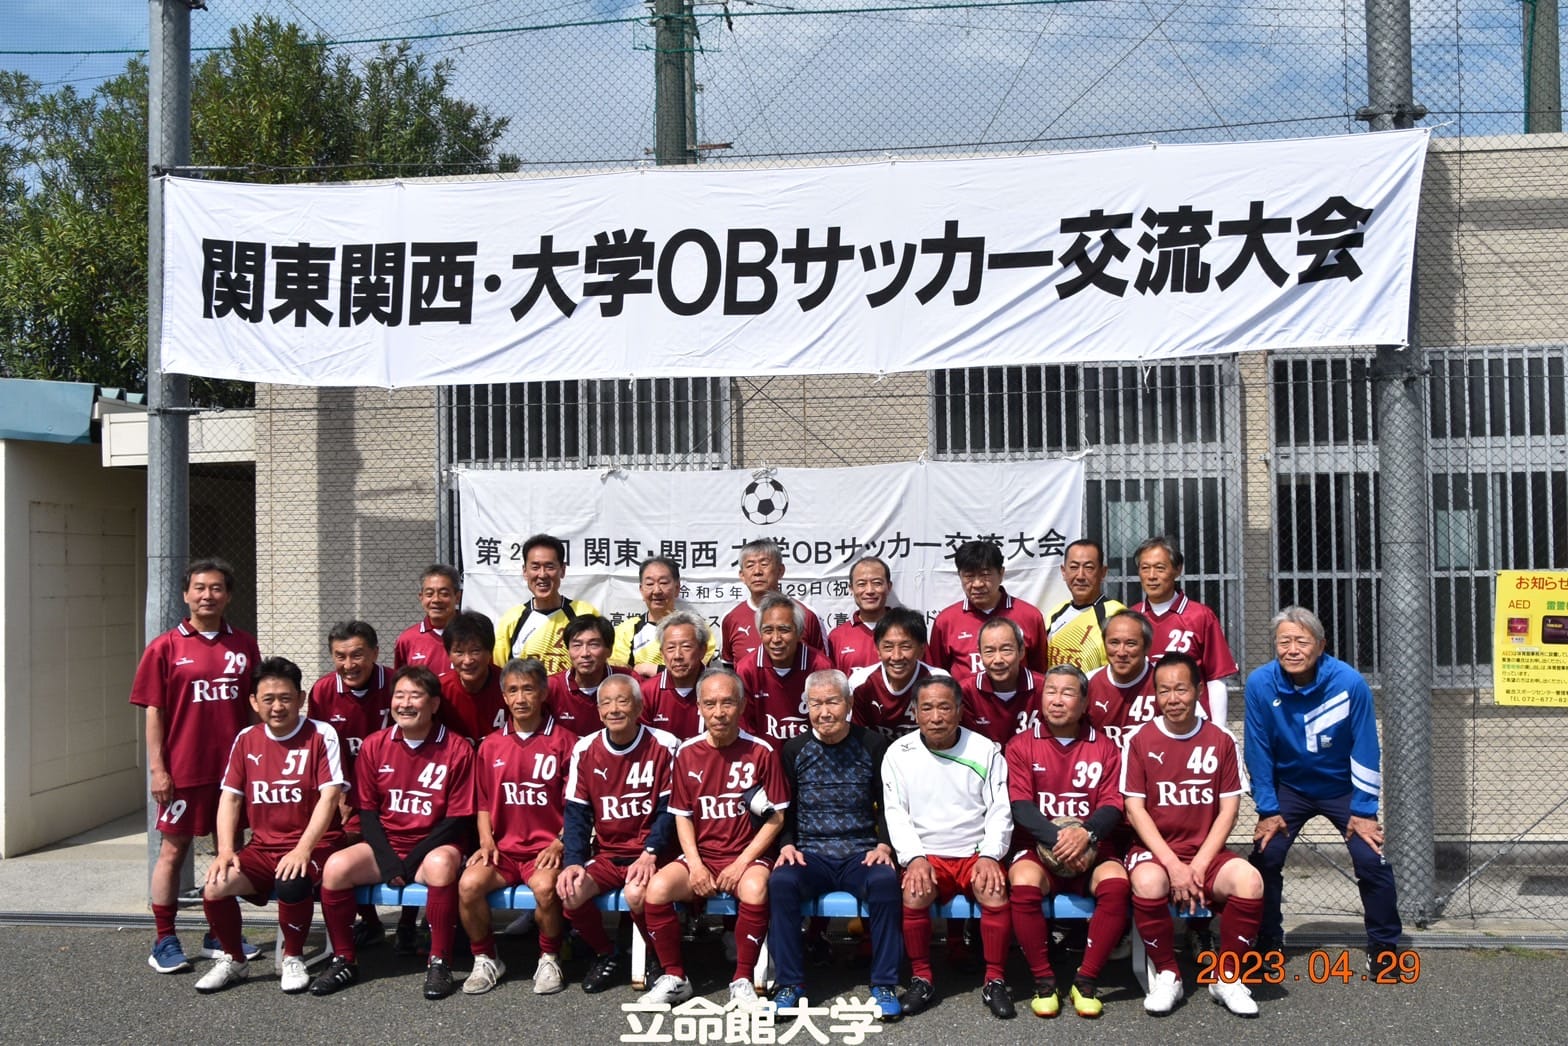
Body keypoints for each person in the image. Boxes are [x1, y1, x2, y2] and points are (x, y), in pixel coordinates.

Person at [1244, 606, 1402, 968]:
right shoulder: (1260, 684)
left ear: (1321, 645)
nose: (1292, 650)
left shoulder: (1348, 683)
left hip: (1342, 788)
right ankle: (1267, 943)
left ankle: (1384, 949)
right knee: (1265, 856)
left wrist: (1364, 810)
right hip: (1290, 788)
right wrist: (1267, 809)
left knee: (1371, 860)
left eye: (1302, 641)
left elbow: (1365, 747)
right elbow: (1257, 749)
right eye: (1284, 641)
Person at [310, 666, 476, 1000]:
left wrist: (409, 860)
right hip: (388, 846)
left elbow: (457, 819)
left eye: (415, 696)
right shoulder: (375, 745)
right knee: (336, 867)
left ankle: (439, 960)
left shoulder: (457, 748)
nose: (405, 703)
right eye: (399, 695)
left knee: (442, 864)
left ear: (434, 704)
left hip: (434, 846)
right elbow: (367, 812)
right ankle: (344, 958)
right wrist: (388, 860)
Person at [130, 557, 262, 975]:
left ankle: (218, 933)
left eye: (217, 588)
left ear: (228, 595)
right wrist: (158, 768)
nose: (208, 595)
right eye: (200, 588)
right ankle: (164, 937)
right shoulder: (164, 647)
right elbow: (154, 712)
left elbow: (256, 706)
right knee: (174, 849)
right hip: (184, 770)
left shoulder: (243, 643)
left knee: (231, 850)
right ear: (186, 594)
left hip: (234, 772)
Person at [1120, 652, 1263, 1017]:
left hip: (1205, 853)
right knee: (1150, 882)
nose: (1173, 698)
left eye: (1181, 689)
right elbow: (1135, 810)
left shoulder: (1221, 739)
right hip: (1157, 853)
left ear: (1199, 691)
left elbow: (1229, 809)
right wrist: (1173, 865)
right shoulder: (1139, 739)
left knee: (1250, 881)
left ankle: (1226, 976)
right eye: (1164, 691)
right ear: (1155, 695)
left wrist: (1197, 864)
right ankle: (1169, 974)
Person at [193, 657, 346, 994]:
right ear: (253, 702)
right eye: (268, 699)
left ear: (301, 698)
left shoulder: (322, 734)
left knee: (292, 878)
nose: (277, 707)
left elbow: (330, 796)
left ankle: (293, 957)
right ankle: (234, 959)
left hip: (317, 844)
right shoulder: (246, 738)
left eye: (285, 698)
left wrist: (303, 849)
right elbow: (230, 799)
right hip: (263, 847)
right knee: (215, 884)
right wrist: (224, 850)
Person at [641, 669, 789, 1008]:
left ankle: (742, 979)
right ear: (699, 707)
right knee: (658, 888)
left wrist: (741, 864)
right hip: (703, 855)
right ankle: (675, 977)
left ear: (741, 706)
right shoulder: (687, 752)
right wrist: (694, 865)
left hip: (745, 854)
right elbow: (682, 815)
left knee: (754, 887)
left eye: (727, 703)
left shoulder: (761, 751)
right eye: (710, 704)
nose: (718, 712)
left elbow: (776, 817)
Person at [769, 670, 903, 1021]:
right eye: (816, 704)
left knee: (886, 882)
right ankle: (789, 984)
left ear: (849, 704)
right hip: (810, 853)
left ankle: (885, 983)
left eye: (832, 702)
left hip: (860, 852)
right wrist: (786, 844)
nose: (824, 712)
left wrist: (885, 845)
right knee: (781, 882)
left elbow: (889, 802)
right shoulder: (795, 749)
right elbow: (787, 807)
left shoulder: (872, 745)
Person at [882, 676, 1015, 1020]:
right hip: (928, 853)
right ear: (915, 712)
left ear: (959, 711)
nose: (936, 717)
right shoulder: (899, 753)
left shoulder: (985, 750)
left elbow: (1001, 808)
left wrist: (989, 854)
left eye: (945, 707)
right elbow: (896, 814)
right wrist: (914, 858)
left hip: (974, 852)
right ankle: (922, 977)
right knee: (913, 892)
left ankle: (995, 980)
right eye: (927, 708)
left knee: (994, 890)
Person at [1004, 665, 1129, 1019]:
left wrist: (1085, 835)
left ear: (1085, 700)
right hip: (1041, 847)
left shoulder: (1105, 747)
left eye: (1068, 693)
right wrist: (1061, 841)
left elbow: (1112, 805)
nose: (1057, 700)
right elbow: (1020, 805)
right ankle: (1044, 981)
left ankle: (1085, 980)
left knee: (1117, 884)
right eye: (1050, 692)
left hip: (1092, 845)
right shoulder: (1021, 745)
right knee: (1024, 882)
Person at [459, 658, 578, 996]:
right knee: (468, 885)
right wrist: (485, 840)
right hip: (504, 850)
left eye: (528, 689)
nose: (521, 697)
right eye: (513, 690)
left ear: (543, 693)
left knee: (544, 888)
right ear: (504, 698)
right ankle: (485, 958)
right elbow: (482, 801)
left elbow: (579, 805)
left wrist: (560, 842)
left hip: (546, 851)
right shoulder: (490, 745)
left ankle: (549, 956)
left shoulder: (566, 742)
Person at [557, 674, 680, 993]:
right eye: (606, 702)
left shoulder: (665, 744)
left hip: (653, 852)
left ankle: (655, 956)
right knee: (571, 892)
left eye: (622, 701)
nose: (614, 709)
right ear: (598, 711)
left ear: (639, 706)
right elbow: (577, 813)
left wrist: (651, 850)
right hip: (609, 854)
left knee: (637, 894)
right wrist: (573, 860)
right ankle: (604, 953)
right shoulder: (585, 748)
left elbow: (670, 810)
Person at [307, 620, 394, 950]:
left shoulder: (396, 684)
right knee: (335, 847)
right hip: (346, 793)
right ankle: (368, 922)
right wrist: (339, 792)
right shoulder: (324, 691)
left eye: (357, 655)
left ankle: (410, 922)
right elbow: (320, 749)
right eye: (339, 656)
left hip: (391, 790)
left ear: (374, 653)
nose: (348, 664)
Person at [1129, 536, 1239, 725]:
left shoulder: (1200, 616)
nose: (1152, 576)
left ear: (1177, 570)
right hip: (1142, 724)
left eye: (1160, 568)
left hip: (1191, 724)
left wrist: (1219, 729)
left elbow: (1215, 678)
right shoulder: (1130, 618)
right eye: (1145, 568)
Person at [926, 540, 1047, 691]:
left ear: (1001, 573)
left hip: (1018, 709)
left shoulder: (1030, 616)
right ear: (960, 576)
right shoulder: (946, 621)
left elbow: (1039, 672)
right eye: (969, 576)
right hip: (965, 710)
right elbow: (938, 675)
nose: (977, 584)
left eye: (985, 575)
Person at [493, 534, 599, 675]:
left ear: (562, 570)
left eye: (549, 567)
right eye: (535, 567)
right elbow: (501, 672)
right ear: (525, 571)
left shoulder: (584, 613)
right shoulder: (511, 619)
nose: (542, 575)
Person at [736, 592, 833, 745]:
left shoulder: (820, 666)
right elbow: (745, 727)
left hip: (811, 758)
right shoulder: (747, 669)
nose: (775, 639)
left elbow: (830, 722)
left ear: (800, 632)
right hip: (764, 759)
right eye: (768, 631)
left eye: (784, 630)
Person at [720, 539, 826, 664]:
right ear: (742, 575)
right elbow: (729, 668)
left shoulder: (806, 615)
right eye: (750, 566)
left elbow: (823, 667)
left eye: (764, 564)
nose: (757, 572)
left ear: (780, 571)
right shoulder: (731, 618)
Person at [847, 607, 946, 739]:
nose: (897, 656)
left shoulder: (940, 681)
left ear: (921, 650)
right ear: (878, 650)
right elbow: (857, 739)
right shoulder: (860, 683)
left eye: (905, 647)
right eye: (888, 647)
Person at [612, 556, 718, 676]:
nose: (656, 590)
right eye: (650, 583)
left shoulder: (696, 628)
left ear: (677, 588)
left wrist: (651, 669)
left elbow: (696, 671)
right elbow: (620, 674)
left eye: (663, 583)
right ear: (641, 590)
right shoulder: (625, 631)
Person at [1045, 540, 1126, 674]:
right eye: (1074, 567)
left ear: (1103, 572)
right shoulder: (1055, 614)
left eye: (1089, 567)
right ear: (1063, 571)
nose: (1080, 576)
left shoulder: (1117, 614)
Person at [1084, 609, 1162, 748]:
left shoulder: (1164, 681)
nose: (1121, 652)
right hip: (1104, 766)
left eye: (1130, 644)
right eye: (1114, 643)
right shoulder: (1087, 683)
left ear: (1147, 647)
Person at [963, 617, 1047, 742]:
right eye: (989, 652)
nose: (998, 660)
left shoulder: (1045, 688)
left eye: (1006, 650)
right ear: (979, 654)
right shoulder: (966, 692)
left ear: (1021, 651)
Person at [547, 614, 635, 735]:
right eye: (577, 645)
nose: (585, 653)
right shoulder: (551, 687)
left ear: (609, 650)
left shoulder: (629, 681)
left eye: (593, 644)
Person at [640, 611, 714, 740]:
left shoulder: (719, 688)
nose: (677, 656)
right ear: (662, 653)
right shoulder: (647, 692)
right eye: (670, 648)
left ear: (703, 650)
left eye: (686, 647)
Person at [438, 611, 505, 741]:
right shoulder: (439, 690)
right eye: (459, 652)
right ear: (448, 654)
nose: (467, 660)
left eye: (475, 651)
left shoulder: (509, 685)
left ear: (490, 651)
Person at [826, 557, 894, 673]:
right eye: (861, 584)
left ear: (889, 587)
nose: (869, 590)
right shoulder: (836, 637)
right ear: (851, 589)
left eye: (877, 583)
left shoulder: (908, 630)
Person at [394, 564, 463, 674]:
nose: (436, 600)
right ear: (421, 597)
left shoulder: (474, 634)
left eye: (444, 594)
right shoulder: (406, 640)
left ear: (457, 597)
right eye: (429, 594)